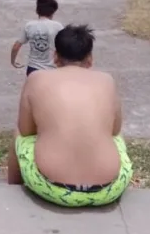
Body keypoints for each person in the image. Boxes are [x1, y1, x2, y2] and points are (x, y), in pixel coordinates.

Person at [8, 24, 132, 207]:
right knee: (116, 138)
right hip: (109, 189)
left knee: (17, 133)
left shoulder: (36, 78)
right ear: (90, 59)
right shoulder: (107, 80)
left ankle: (13, 189)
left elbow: (26, 131)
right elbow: (115, 130)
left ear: (55, 57)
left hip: (51, 187)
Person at [11, 0, 64, 76]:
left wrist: (13, 61)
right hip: (51, 69)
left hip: (33, 69)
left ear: (37, 10)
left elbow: (16, 46)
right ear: (53, 12)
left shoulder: (29, 26)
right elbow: (65, 47)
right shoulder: (58, 26)